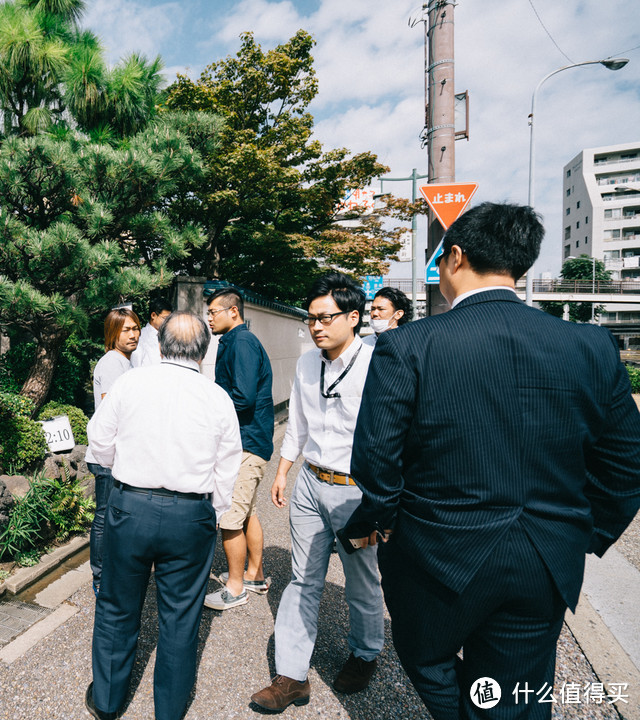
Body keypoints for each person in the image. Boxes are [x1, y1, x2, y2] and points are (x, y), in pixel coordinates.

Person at [341, 202, 640, 720]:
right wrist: (584, 533)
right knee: (514, 695)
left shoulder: (410, 345)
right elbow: (626, 464)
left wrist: (380, 522)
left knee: (424, 656)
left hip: (437, 552)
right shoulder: (590, 345)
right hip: (546, 554)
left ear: (455, 257)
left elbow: (376, 460)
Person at [86, 312, 242, 720]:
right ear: (204, 350)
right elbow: (228, 466)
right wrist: (215, 512)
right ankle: (169, 710)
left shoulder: (132, 383)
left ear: (159, 344)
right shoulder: (217, 397)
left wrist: (119, 468)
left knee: (117, 605)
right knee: (180, 616)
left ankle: (106, 701)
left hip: (130, 505)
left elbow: (99, 440)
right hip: (190, 515)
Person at [250, 273, 384, 713]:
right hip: (310, 480)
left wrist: (384, 501)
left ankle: (365, 653)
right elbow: (298, 426)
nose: (316, 327)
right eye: (311, 319)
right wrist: (282, 472)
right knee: (303, 577)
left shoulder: (378, 363)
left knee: (361, 581)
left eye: (325, 318)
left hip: (355, 491)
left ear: (354, 317)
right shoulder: (308, 364)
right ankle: (291, 676)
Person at [203, 288, 274, 610]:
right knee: (247, 513)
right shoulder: (236, 341)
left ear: (234, 311)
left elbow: (242, 397)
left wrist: (208, 407)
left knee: (230, 518)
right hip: (251, 441)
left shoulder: (242, 343)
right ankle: (254, 576)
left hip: (246, 443)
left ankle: (235, 588)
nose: (209, 318)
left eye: (214, 312)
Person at [84, 307, 140, 593]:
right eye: (126, 330)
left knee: (114, 515)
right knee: (105, 517)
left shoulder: (126, 363)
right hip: (106, 454)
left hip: (118, 453)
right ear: (112, 333)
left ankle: (111, 572)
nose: (133, 334)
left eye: (135, 328)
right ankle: (100, 577)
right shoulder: (111, 363)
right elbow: (113, 411)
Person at [130, 297, 173, 367]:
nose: (168, 322)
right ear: (153, 315)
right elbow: (135, 364)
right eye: (165, 318)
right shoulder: (142, 337)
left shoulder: (168, 336)